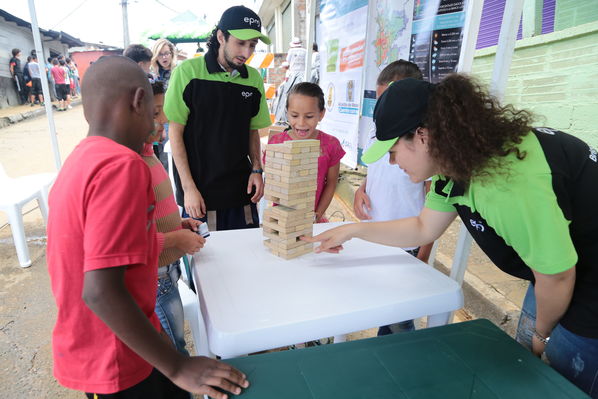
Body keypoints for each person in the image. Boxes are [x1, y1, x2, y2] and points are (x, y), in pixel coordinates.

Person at [303, 75, 598, 397]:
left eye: (393, 150)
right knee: (530, 367)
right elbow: (422, 227)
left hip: (584, 280)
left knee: (562, 384)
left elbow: (556, 278)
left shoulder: (505, 183)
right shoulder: (456, 163)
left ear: (423, 135)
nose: (391, 162)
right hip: (556, 270)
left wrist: (542, 337)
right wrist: (353, 230)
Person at [47, 55, 249, 399]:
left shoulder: (82, 159)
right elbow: (100, 290)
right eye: (155, 113)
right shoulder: (122, 165)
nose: (160, 122)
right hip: (118, 358)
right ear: (138, 102)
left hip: (111, 347)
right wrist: (177, 366)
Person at [165, 5, 272, 231]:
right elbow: (175, 132)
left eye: (252, 45)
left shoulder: (253, 79)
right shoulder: (187, 72)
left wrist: (256, 169)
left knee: (246, 255)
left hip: (241, 190)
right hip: (200, 193)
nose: (246, 52)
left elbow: (253, 129)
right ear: (221, 37)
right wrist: (188, 188)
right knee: (206, 260)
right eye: (240, 43)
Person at [354, 60, 433, 336]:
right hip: (376, 232)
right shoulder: (379, 129)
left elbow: (434, 206)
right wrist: (361, 189)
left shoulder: (425, 151)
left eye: (387, 100)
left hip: (405, 242)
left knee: (399, 315)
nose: (381, 111)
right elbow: (374, 169)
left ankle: (405, 359)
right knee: (384, 305)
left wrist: (422, 254)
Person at [143, 79, 205, 356]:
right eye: (155, 112)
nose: (165, 119)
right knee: (172, 347)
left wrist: (178, 225)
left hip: (168, 269)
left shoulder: (150, 155)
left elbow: (152, 215)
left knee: (175, 337)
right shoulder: (131, 167)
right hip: (155, 278)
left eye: (163, 111)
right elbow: (132, 242)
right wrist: (176, 238)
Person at [266, 82, 345, 222]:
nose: (301, 123)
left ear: (321, 114)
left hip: (313, 220)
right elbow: (271, 182)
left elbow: (331, 183)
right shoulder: (276, 143)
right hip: (282, 221)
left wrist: (317, 215)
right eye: (294, 116)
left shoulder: (331, 144)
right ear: (287, 113)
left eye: (309, 116)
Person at [150, 38, 177, 171]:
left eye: (166, 53)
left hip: (176, 118)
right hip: (159, 119)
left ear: (172, 54)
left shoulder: (178, 71)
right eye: (160, 54)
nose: (164, 57)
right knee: (161, 154)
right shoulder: (153, 74)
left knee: (173, 154)